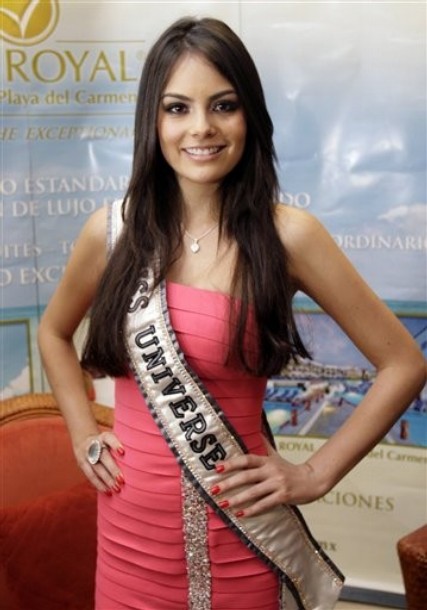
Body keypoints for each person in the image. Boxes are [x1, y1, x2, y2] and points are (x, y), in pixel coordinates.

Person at [37, 16, 426, 610]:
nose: (201, 128)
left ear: (250, 117)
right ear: (153, 119)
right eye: (177, 108)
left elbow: (403, 362)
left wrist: (317, 474)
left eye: (223, 105)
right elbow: (55, 332)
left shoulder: (289, 236)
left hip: (241, 531)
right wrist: (83, 433)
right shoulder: (111, 232)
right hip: (127, 536)